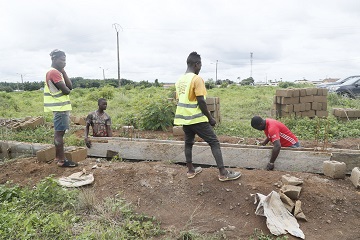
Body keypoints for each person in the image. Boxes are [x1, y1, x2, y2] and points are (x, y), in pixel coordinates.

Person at [174, 51, 241, 181]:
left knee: (188, 143)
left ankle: (190, 170)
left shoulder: (179, 81)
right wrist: (210, 118)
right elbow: (201, 101)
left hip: (184, 119)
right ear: (196, 64)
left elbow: (181, 100)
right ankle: (223, 173)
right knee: (214, 142)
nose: (200, 68)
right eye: (200, 66)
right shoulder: (196, 79)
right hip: (197, 118)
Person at [44, 49, 78, 167]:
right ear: (54, 59)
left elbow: (70, 86)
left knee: (59, 133)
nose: (64, 62)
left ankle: (58, 157)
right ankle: (61, 161)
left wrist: (63, 71)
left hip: (60, 107)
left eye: (65, 60)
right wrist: (61, 73)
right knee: (59, 134)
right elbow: (66, 90)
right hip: (60, 107)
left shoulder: (57, 72)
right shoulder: (53, 72)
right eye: (62, 60)